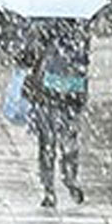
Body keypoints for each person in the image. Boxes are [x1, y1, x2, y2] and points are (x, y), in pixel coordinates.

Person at [22, 19, 89, 207]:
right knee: (68, 141)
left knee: (47, 143)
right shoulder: (80, 24)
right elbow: (84, 59)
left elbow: (27, 56)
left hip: (47, 92)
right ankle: (69, 178)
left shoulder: (40, 24)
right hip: (72, 90)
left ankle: (49, 188)